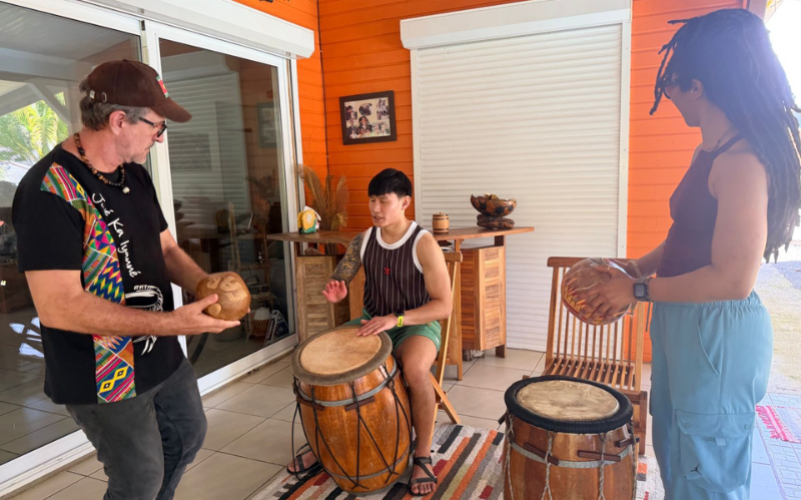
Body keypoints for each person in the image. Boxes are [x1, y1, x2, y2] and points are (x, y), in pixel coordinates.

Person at [577, 9, 801, 500]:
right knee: (676, 453)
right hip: (680, 320)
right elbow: (687, 234)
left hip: (717, 331)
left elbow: (733, 279)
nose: (670, 95)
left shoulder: (742, 161)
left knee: (709, 476)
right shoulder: (711, 150)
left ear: (696, 86)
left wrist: (636, 289)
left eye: (672, 85)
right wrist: (636, 266)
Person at [12, 59, 241, 500]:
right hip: (102, 372)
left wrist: (203, 286)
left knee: (188, 435)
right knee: (138, 479)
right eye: (157, 126)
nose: (160, 137)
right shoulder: (49, 191)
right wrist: (174, 323)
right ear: (119, 121)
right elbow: (58, 306)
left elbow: (168, 249)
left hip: (159, 353)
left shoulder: (133, 173)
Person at [287, 168, 452, 496]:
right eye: (372, 200)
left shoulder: (424, 244)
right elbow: (340, 278)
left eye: (384, 201)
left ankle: (421, 455)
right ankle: (325, 448)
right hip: (371, 323)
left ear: (404, 202)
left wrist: (396, 318)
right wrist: (337, 292)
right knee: (316, 366)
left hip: (416, 325)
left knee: (417, 371)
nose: (376, 208)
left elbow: (443, 306)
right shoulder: (363, 240)